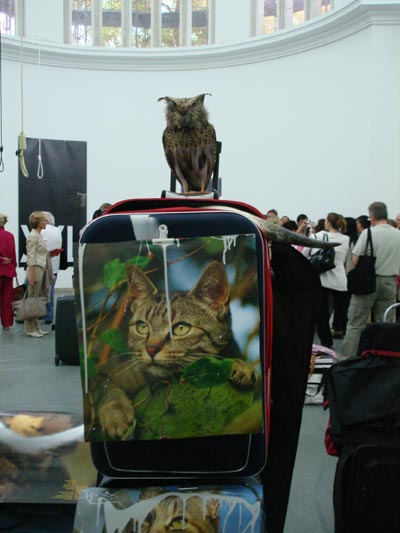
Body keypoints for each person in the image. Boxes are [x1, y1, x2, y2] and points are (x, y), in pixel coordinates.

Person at [340, 202, 400, 360]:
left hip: (367, 281)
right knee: (386, 323)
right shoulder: (397, 234)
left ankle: (347, 359)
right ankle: (385, 359)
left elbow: (355, 260)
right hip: (390, 282)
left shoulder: (369, 233)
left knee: (355, 323)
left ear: (372, 217)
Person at [310, 213, 349, 348]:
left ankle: (326, 341)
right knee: (343, 310)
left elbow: (306, 254)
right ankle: (345, 335)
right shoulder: (346, 239)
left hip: (322, 278)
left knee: (322, 313)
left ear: (328, 223)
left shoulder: (317, 237)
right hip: (340, 278)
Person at [24, 211, 53, 338]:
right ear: (38, 222)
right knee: (32, 300)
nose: (46, 222)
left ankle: (36, 327)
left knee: (36, 299)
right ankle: (30, 328)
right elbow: (30, 256)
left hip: (40, 268)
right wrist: (31, 275)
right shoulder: (33, 236)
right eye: (44, 220)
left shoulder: (38, 235)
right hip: (35, 269)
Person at [41, 212, 62, 325]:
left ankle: (31, 313)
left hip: (41, 265)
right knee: (50, 291)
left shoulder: (41, 231)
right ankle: (49, 315)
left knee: (34, 291)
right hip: (54, 266)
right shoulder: (58, 231)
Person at [0, 213, 17, 330]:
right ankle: (6, 324)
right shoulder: (10, 236)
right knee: (7, 298)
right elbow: (13, 256)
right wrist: (13, 266)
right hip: (8, 270)